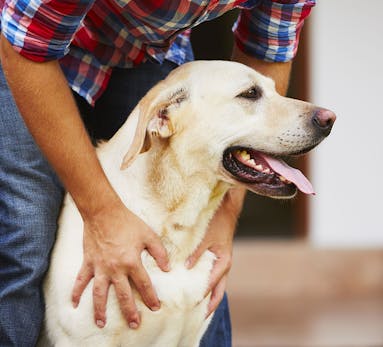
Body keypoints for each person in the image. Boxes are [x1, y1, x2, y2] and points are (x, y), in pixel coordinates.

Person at [0, 0, 315, 345]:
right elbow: (26, 45)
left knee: (201, 253)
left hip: (146, 44)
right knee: (24, 237)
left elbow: (267, 48)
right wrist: (102, 214)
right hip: (24, 45)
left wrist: (224, 215)